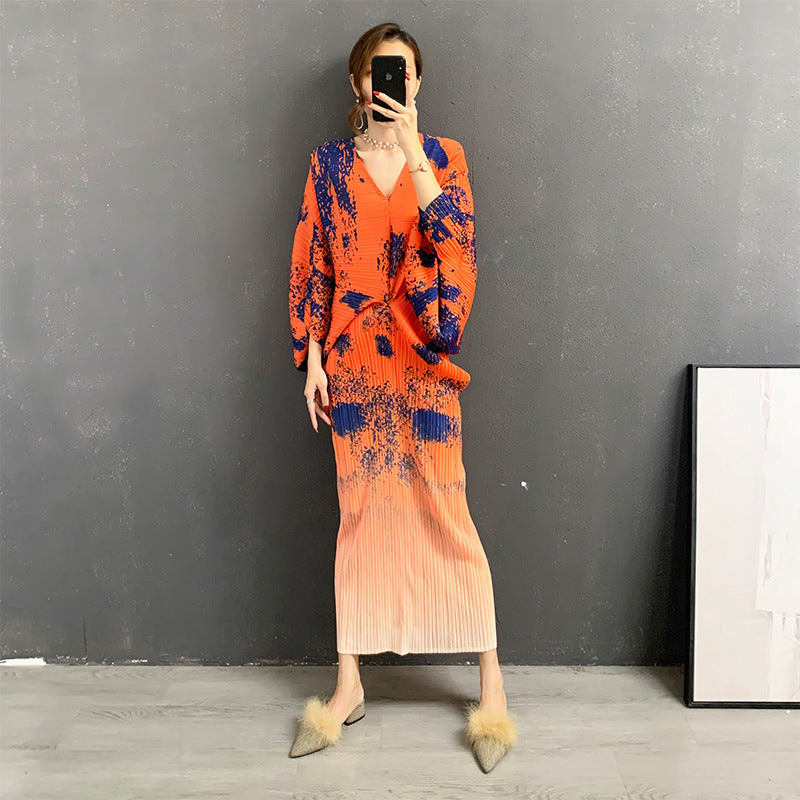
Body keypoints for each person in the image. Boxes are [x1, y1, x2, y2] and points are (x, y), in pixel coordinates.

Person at [288, 22, 518, 772]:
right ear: (358, 84)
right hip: (354, 364)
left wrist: (414, 149)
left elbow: (457, 248)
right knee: (358, 517)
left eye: (405, 72)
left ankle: (491, 688)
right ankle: (349, 683)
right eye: (379, 71)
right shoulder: (327, 165)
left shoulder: (443, 158)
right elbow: (314, 264)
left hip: (422, 362)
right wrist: (312, 358)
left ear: (416, 83)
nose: (394, 82)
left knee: (446, 509)